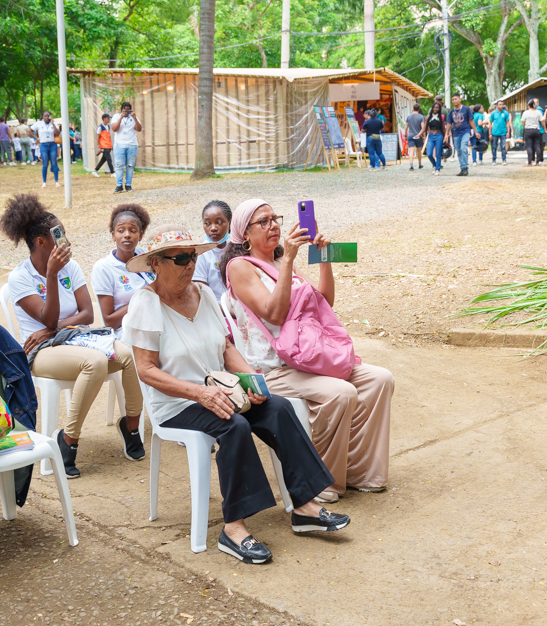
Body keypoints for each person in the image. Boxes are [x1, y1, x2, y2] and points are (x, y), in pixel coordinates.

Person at [124, 223, 351, 564]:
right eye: (180, 258)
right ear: (155, 264)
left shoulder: (202, 294)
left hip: (220, 390)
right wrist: (199, 394)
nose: (190, 264)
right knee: (235, 425)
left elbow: (226, 346)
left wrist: (252, 380)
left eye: (193, 257)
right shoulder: (146, 303)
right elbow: (146, 369)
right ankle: (233, 528)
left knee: (278, 408)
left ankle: (304, 505)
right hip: (177, 401)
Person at [222, 199, 394, 502]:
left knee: (380, 379)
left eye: (275, 218)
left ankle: (358, 472)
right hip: (274, 369)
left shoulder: (281, 261)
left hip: (308, 357)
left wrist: (324, 258)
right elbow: (273, 313)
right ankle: (321, 482)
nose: (273, 225)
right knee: (341, 393)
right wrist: (288, 258)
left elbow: (324, 301)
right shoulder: (240, 267)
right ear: (244, 234)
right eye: (263, 221)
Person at [0, 193, 145, 475]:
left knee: (128, 354)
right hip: (39, 352)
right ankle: (67, 440)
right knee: (96, 362)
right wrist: (51, 276)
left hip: (74, 339)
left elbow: (87, 315)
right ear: (42, 241)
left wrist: (52, 329)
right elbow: (48, 316)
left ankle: (130, 426)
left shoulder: (72, 267)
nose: (67, 240)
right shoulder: (21, 277)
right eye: (60, 234)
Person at [91, 204, 153, 331]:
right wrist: (144, 299)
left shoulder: (148, 256)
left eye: (133, 230)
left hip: (157, 319)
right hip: (127, 329)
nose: (127, 235)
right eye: (121, 230)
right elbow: (109, 322)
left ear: (140, 235)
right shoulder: (104, 268)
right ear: (113, 235)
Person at [192, 199, 231, 301]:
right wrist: (230, 313)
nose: (213, 228)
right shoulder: (200, 254)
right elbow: (202, 296)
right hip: (216, 310)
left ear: (230, 223)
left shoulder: (235, 249)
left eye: (218, 222)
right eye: (207, 223)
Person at [111, 102, 141, 193]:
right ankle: (119, 186)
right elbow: (114, 129)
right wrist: (121, 117)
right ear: (121, 109)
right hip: (119, 144)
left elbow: (139, 129)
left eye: (128, 110)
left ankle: (128, 185)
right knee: (119, 165)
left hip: (132, 144)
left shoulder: (133, 117)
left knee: (130, 165)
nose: (127, 112)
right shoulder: (116, 116)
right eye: (125, 110)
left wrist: (135, 118)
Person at [445, 94, 476, 176]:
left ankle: (465, 168)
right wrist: (446, 133)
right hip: (456, 133)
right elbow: (449, 123)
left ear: (460, 99)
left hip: (465, 132)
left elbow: (471, 121)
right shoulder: (451, 111)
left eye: (456, 99)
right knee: (459, 151)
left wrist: (476, 131)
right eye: (453, 99)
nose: (454, 101)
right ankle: (462, 168)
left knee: (463, 148)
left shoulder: (466, 109)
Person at [34, 111, 60, 190]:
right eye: (45, 116)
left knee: (54, 163)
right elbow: (30, 130)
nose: (46, 117)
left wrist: (52, 123)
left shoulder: (54, 124)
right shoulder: (39, 124)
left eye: (48, 116)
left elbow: (57, 133)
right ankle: (44, 182)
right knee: (45, 164)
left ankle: (56, 181)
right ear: (42, 117)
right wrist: (37, 138)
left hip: (52, 144)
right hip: (43, 145)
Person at [521, 99, 544, 166]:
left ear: (528, 105)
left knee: (529, 146)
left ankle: (530, 162)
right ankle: (538, 162)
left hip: (528, 130)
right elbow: (542, 121)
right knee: (537, 145)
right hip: (536, 130)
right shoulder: (538, 112)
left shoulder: (525, 113)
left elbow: (522, 123)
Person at [488, 100, 512, 164]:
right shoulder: (493, 113)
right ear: (497, 105)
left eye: (502, 104)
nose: (501, 106)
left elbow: (507, 123)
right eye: (500, 104)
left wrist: (508, 132)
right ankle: (494, 160)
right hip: (494, 132)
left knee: (503, 147)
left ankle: (504, 160)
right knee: (494, 147)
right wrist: (490, 133)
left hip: (503, 132)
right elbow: (490, 124)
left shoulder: (505, 113)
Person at [424, 100, 445, 173]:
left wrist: (446, 137)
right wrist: (422, 136)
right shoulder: (428, 117)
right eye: (434, 107)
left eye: (437, 108)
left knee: (438, 154)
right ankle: (435, 164)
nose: (435, 109)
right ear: (432, 108)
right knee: (429, 153)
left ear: (439, 109)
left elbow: (443, 128)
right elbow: (425, 128)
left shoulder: (441, 117)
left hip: (439, 135)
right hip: (430, 136)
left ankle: (437, 169)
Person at [404, 103, 426, 171]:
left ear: (413, 108)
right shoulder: (421, 117)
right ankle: (419, 164)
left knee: (411, 150)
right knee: (419, 151)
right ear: (419, 109)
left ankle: (411, 165)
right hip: (418, 135)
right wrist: (424, 136)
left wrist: (405, 135)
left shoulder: (409, 116)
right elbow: (423, 128)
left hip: (410, 135)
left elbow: (406, 127)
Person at [92, 113, 114, 178]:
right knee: (109, 159)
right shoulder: (100, 127)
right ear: (104, 119)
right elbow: (97, 137)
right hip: (104, 145)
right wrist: (98, 146)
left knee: (103, 159)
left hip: (108, 145)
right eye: (108, 118)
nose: (109, 119)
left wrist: (111, 145)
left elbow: (109, 137)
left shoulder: (108, 126)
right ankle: (112, 172)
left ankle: (95, 171)